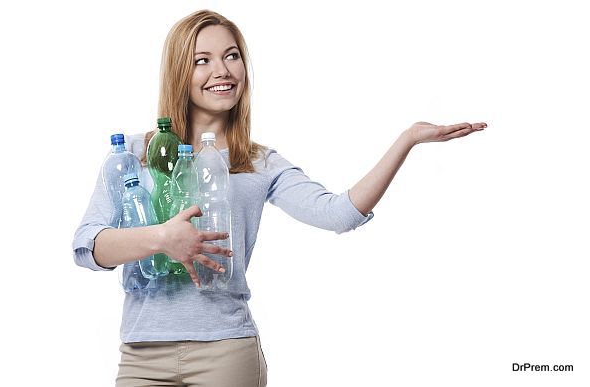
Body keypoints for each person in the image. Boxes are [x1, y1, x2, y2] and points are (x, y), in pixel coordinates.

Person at [72, 9, 486, 387]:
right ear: (180, 71)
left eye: (232, 56)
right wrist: (162, 239)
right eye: (203, 60)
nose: (223, 70)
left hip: (226, 353)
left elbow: (339, 214)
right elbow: (87, 247)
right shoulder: (133, 153)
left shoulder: (258, 163)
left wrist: (408, 139)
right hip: (143, 355)